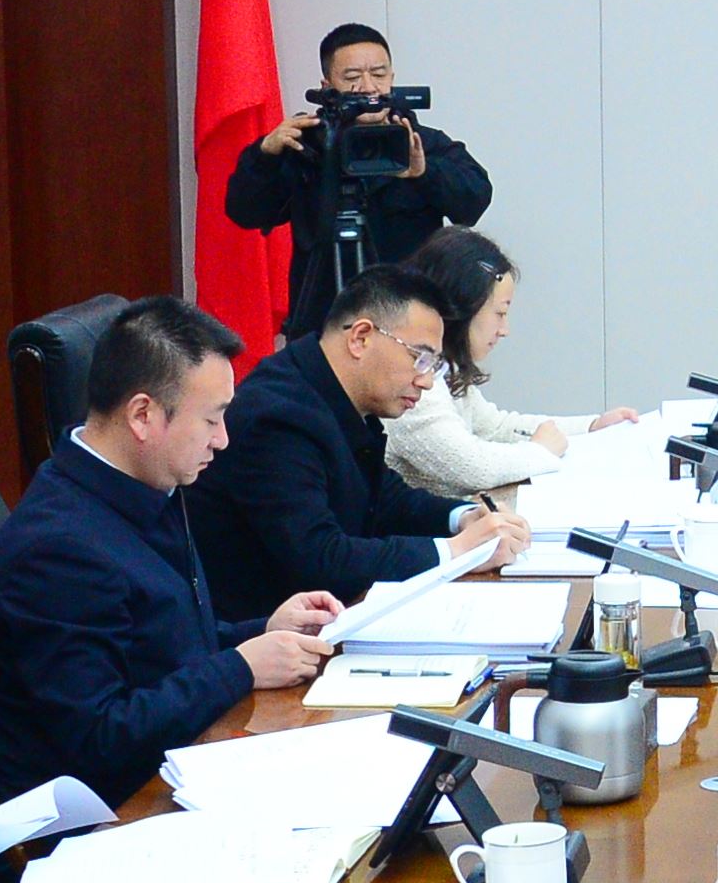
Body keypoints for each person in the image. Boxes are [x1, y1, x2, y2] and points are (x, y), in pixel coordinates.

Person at [0, 298, 346, 806]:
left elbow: (160, 645)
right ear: (143, 415)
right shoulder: (56, 552)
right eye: (211, 420)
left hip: (174, 771)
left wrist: (265, 631)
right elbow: (99, 737)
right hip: (93, 818)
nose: (223, 440)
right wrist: (240, 666)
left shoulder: (147, 483)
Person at [198, 264, 526, 626]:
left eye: (433, 364)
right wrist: (455, 551)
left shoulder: (330, 390)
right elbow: (320, 559)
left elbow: (384, 498)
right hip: (262, 636)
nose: (426, 381)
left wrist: (462, 517)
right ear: (361, 338)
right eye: (419, 358)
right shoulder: (278, 417)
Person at [221, 24, 497, 342]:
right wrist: (265, 155)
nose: (368, 87)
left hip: (406, 322)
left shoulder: (420, 143)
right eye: (352, 77)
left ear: (392, 78)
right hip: (323, 323)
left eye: (379, 74)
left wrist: (425, 173)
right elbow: (245, 212)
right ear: (327, 86)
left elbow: (475, 200)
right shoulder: (308, 146)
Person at [385, 228, 640, 503]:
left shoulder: (445, 369)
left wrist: (591, 427)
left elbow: (497, 427)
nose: (504, 330)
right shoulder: (413, 381)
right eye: (500, 313)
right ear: (462, 305)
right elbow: (473, 467)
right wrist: (539, 452)